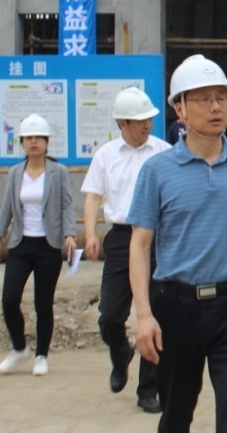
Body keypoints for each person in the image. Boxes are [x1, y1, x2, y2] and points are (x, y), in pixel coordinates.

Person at [128, 54, 227, 433]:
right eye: (204, 99)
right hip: (176, 308)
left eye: (222, 98)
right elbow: (140, 245)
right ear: (180, 108)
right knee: (176, 416)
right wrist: (144, 315)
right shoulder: (157, 170)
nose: (216, 107)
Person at [82, 87, 170, 414]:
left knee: (157, 314)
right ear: (122, 122)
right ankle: (120, 353)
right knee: (110, 315)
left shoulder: (164, 152)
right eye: (139, 120)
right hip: (120, 239)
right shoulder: (105, 155)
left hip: (157, 240)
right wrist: (90, 234)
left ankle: (148, 388)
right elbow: (93, 196)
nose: (147, 125)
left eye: (149, 119)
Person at [0, 114, 77, 377]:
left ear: (47, 142)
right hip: (20, 244)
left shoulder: (58, 172)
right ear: (22, 143)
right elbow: (7, 206)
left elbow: (67, 204)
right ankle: (20, 348)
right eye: (28, 138)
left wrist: (70, 235)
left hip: (48, 246)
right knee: (9, 299)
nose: (34, 142)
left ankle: (41, 355)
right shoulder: (15, 173)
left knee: (43, 303)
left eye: (39, 137)